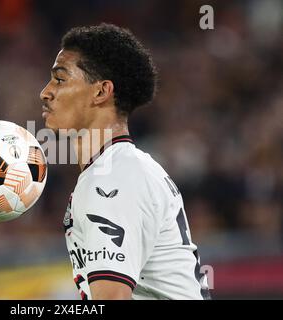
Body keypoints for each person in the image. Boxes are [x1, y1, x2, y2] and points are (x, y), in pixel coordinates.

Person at [40, 23, 210, 300]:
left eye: (60, 79)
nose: (45, 92)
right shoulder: (125, 168)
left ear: (101, 92)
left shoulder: (112, 179)